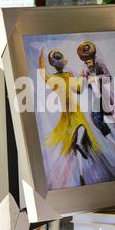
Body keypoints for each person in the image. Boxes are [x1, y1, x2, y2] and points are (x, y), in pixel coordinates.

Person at [38, 47, 101, 186]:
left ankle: (80, 173)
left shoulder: (54, 79)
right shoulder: (69, 75)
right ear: (63, 61)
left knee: (73, 146)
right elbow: (78, 90)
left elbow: (43, 76)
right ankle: (79, 144)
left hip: (65, 113)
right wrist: (81, 78)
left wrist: (40, 61)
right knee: (82, 127)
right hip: (74, 109)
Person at [76, 41, 115, 162]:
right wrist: (80, 82)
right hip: (96, 99)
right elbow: (80, 86)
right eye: (85, 62)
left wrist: (95, 78)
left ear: (93, 58)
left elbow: (109, 76)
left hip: (105, 96)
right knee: (97, 121)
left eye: (88, 62)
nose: (87, 64)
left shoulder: (100, 64)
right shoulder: (85, 69)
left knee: (108, 118)